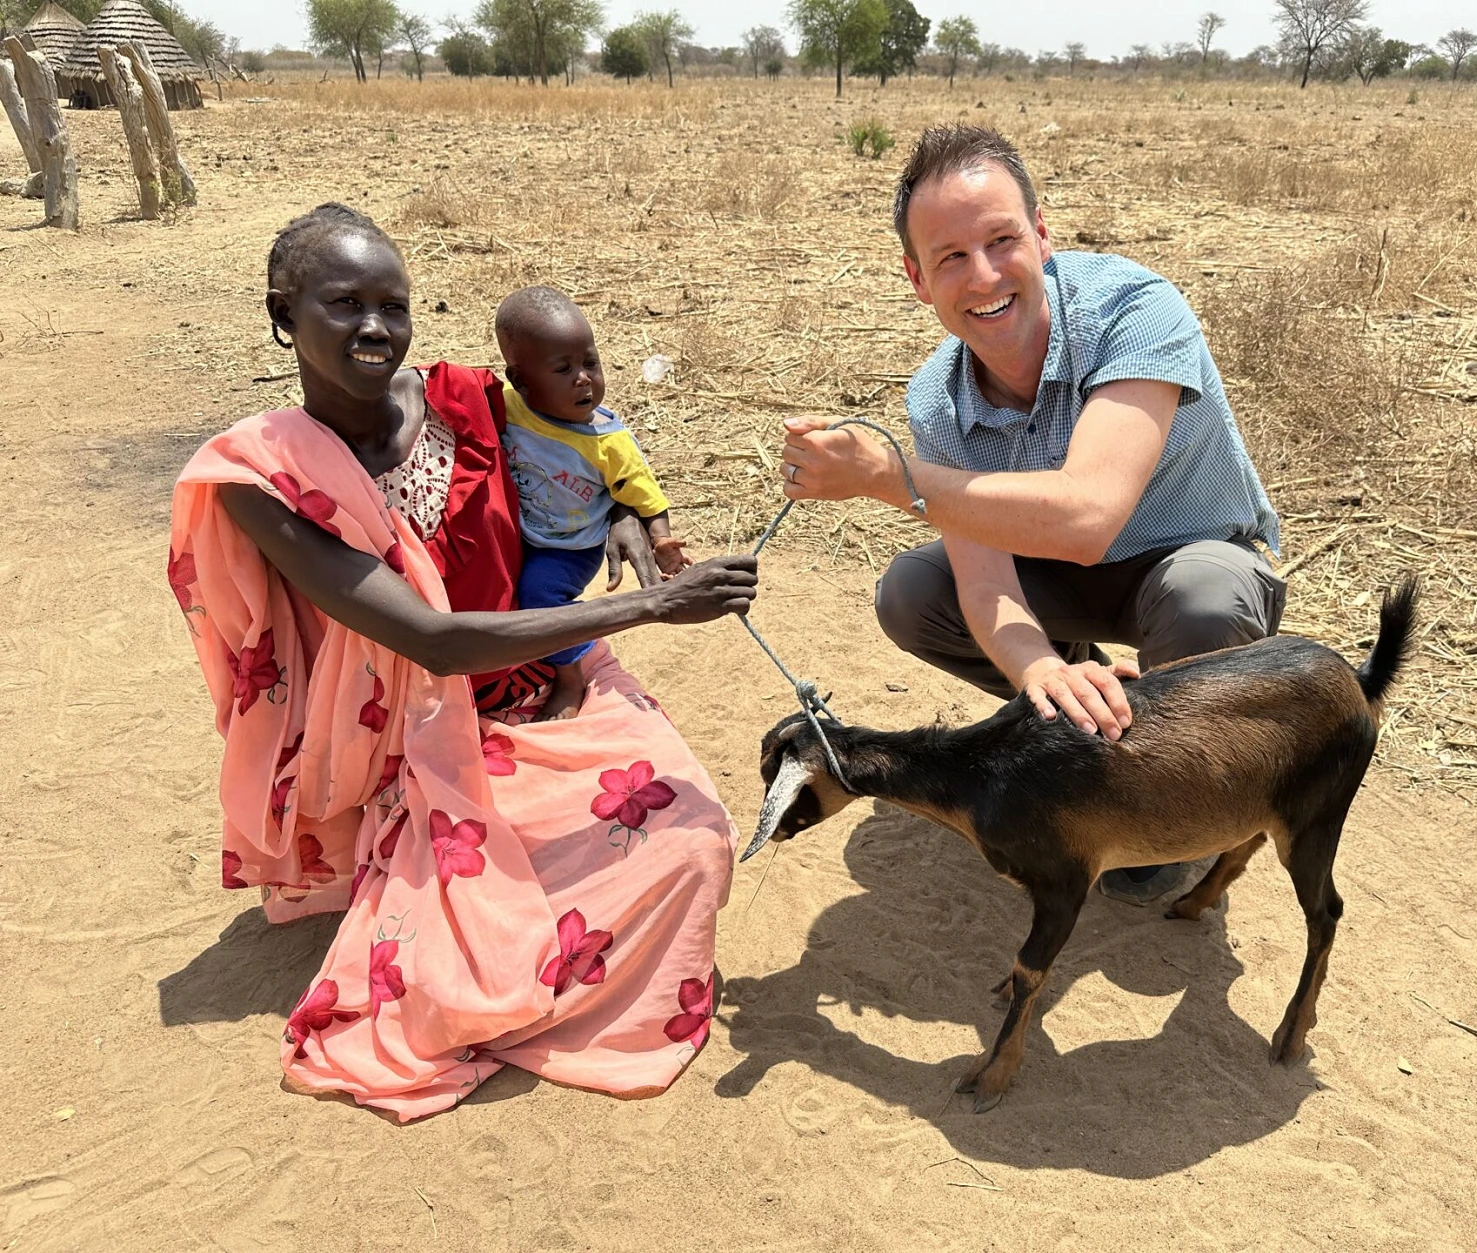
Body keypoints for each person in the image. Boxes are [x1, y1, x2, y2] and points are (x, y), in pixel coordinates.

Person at [169, 203, 759, 1121]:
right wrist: (652, 606)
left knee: (691, 833)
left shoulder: (468, 401)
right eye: (344, 303)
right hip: (413, 729)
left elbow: (589, 448)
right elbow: (427, 640)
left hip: (537, 671)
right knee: (472, 941)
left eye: (393, 304)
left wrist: (634, 519)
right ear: (284, 314)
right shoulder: (262, 481)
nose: (376, 326)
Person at [777, 126, 1285, 905]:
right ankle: (1083, 724)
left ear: (1042, 235)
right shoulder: (938, 400)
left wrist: (893, 478)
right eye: (950, 257)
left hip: (1192, 554)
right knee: (914, 592)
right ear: (917, 279)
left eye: (1002, 240)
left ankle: (1169, 801)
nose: (983, 276)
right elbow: (986, 588)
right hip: (1060, 578)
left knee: (1204, 598)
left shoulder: (1134, 309)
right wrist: (1042, 670)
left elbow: (1089, 514)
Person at [495, 286, 692, 722]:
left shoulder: (608, 442)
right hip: (523, 530)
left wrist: (662, 542)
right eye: (563, 369)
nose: (583, 378)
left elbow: (644, 495)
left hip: (570, 546)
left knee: (539, 594)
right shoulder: (507, 408)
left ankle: (570, 675)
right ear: (522, 382)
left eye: (590, 363)